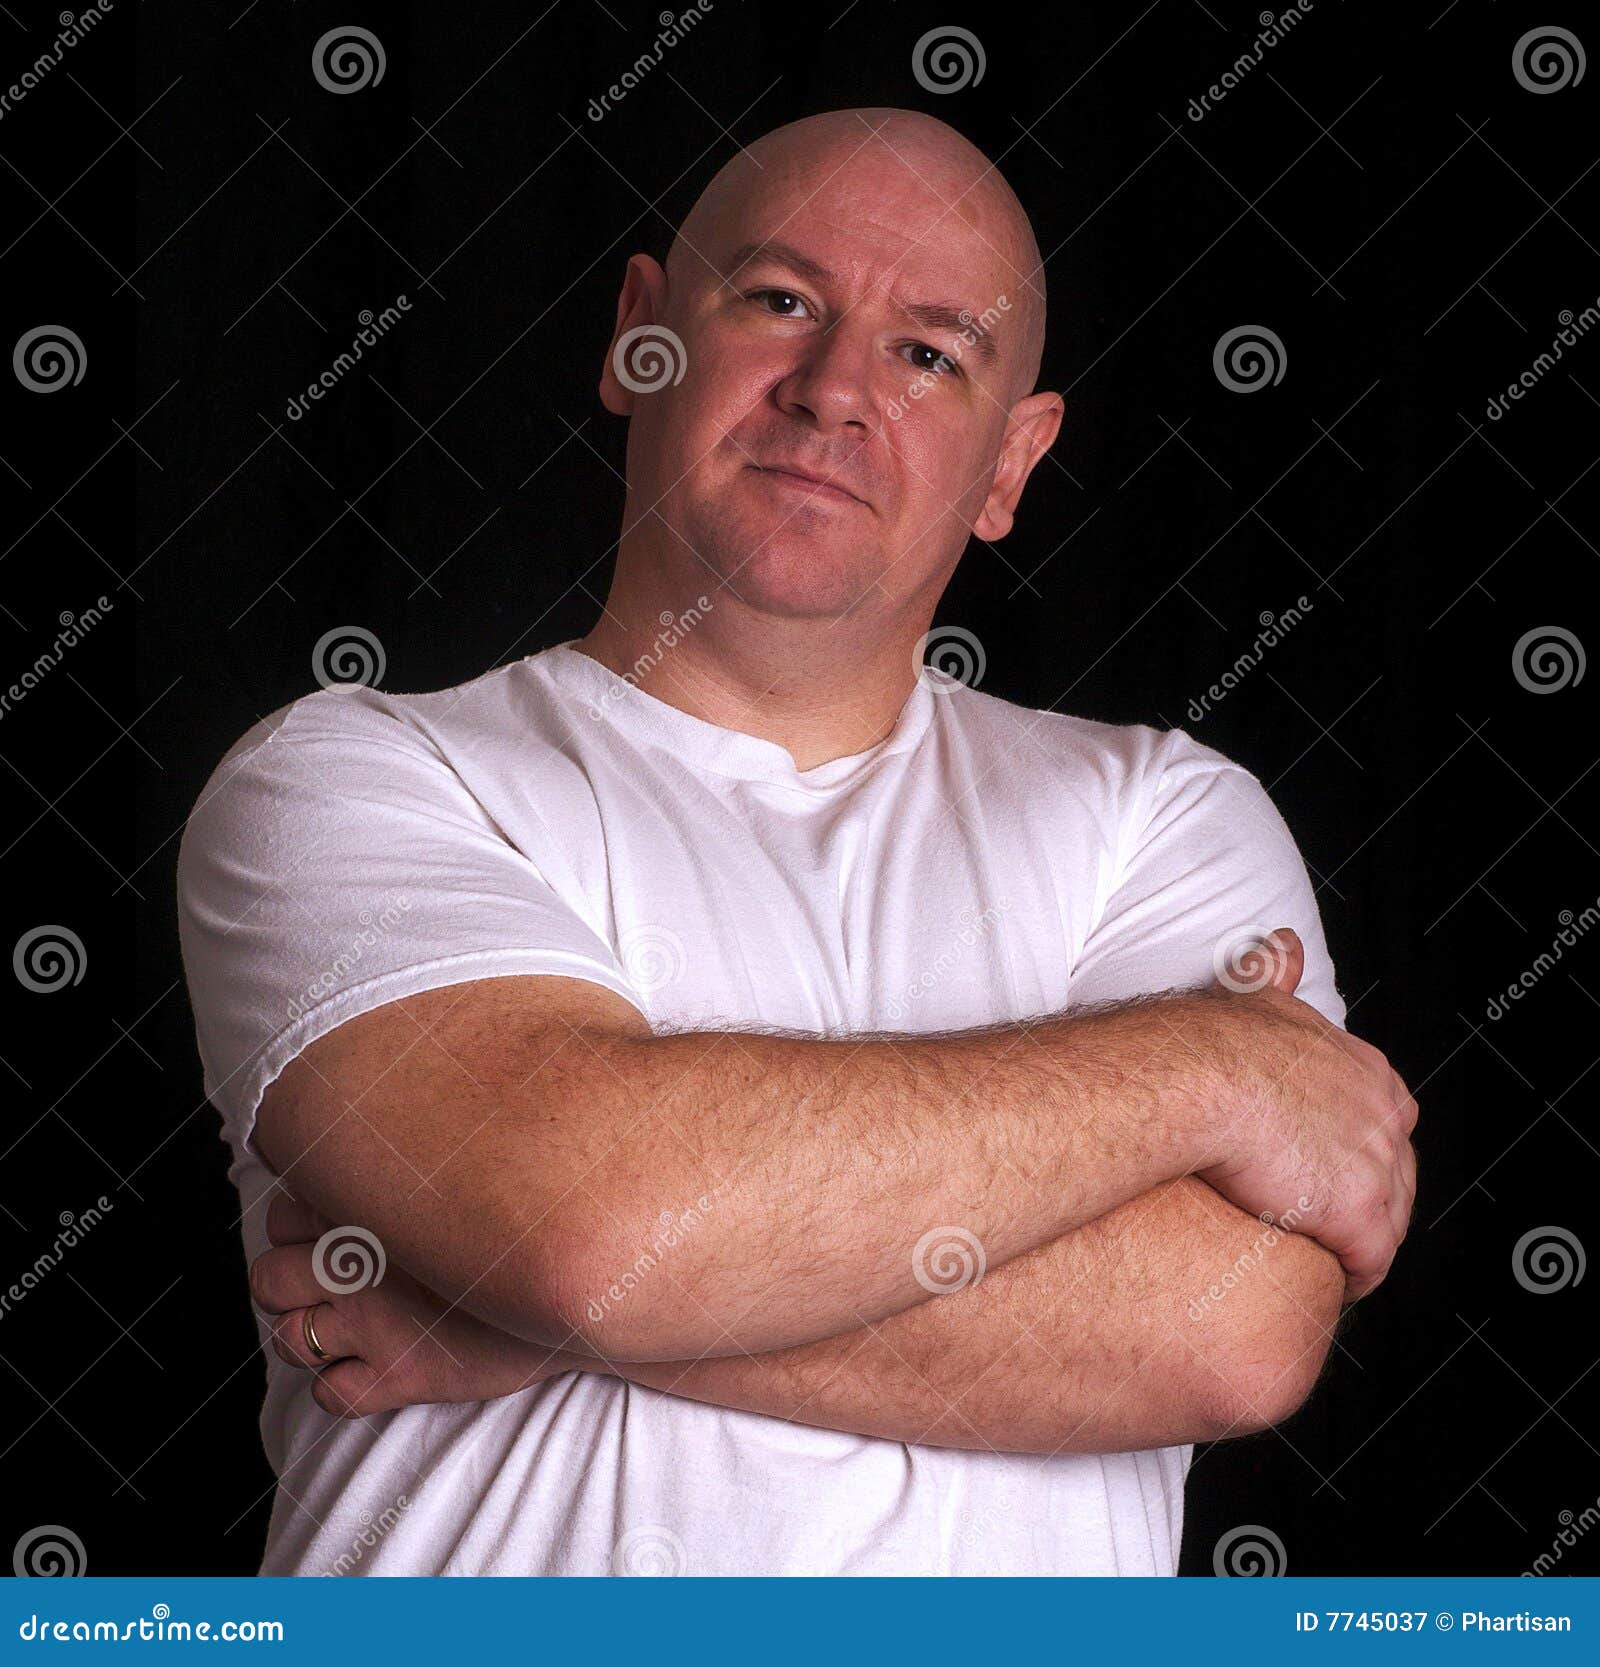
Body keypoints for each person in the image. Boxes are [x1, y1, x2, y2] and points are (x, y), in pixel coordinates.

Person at [177, 107, 1418, 1577]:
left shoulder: (1159, 818)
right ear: (642, 335)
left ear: (1014, 462)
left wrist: (561, 1309)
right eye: (779, 302)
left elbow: (1228, 1330)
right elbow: (589, 1217)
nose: (835, 389)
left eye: (930, 353)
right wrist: (1217, 1065)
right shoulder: (352, 778)